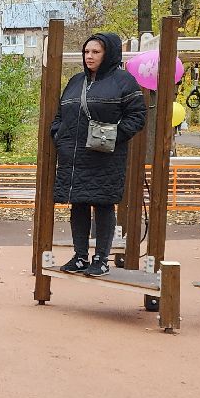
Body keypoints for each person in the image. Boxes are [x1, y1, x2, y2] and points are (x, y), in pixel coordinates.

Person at [50, 32, 147, 278]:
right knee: (78, 204)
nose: (89, 56)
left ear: (108, 54)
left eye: (96, 52)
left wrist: (113, 136)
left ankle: (101, 259)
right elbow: (60, 114)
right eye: (86, 52)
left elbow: (137, 116)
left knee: (103, 204)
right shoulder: (75, 81)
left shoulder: (124, 81)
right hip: (74, 157)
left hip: (104, 157)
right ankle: (80, 256)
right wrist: (58, 134)